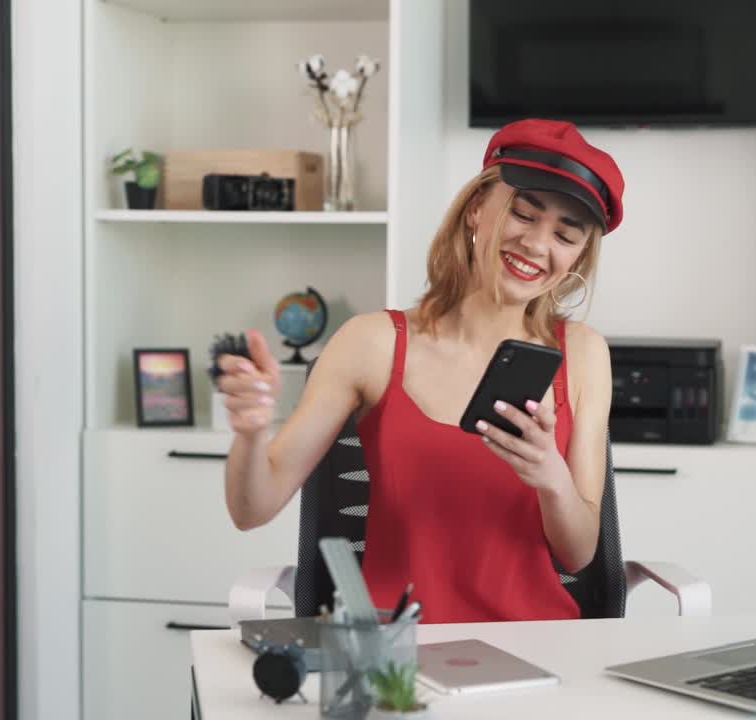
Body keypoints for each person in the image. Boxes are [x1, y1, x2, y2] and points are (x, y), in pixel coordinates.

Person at [219, 118, 625, 624]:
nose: (538, 246)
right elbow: (250, 509)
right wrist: (252, 434)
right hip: (398, 657)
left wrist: (551, 478)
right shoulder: (372, 343)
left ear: (578, 256)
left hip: (540, 649)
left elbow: (579, 554)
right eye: (523, 213)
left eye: (566, 236)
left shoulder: (583, 354)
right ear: (477, 208)